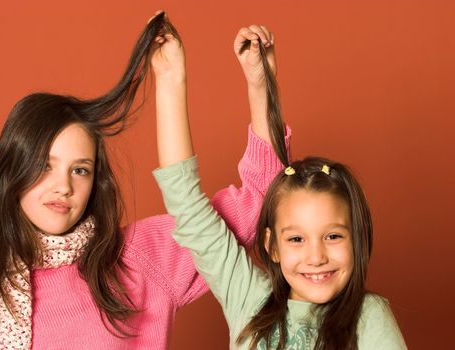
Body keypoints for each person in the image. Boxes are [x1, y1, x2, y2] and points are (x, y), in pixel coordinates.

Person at [0, 13, 291, 349]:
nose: (64, 186)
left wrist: (261, 87)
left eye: (80, 169)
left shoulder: (141, 257)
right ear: (12, 173)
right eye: (44, 166)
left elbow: (262, 202)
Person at [154, 24, 407, 349]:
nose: (315, 256)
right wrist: (169, 79)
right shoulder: (248, 296)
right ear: (272, 245)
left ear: (357, 237)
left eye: (333, 236)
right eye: (297, 238)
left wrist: (264, 87)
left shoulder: (369, 316)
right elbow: (187, 204)